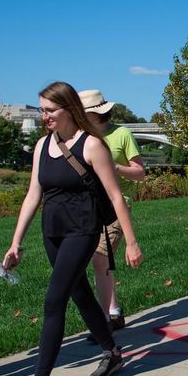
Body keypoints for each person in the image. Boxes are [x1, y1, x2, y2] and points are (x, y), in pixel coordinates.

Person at [0, 82, 143, 376]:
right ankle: (112, 352)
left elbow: (114, 195)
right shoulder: (41, 146)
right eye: (41, 111)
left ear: (68, 110)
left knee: (55, 300)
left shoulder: (92, 146)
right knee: (80, 293)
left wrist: (131, 242)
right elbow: (34, 193)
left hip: (83, 230)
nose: (44, 117)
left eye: (50, 111)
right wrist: (16, 241)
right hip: (52, 232)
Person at [80, 89, 146, 330]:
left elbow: (140, 173)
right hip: (88, 208)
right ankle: (114, 311)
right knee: (98, 262)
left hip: (117, 205)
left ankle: (104, 319)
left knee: (100, 258)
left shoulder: (121, 134)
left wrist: (113, 168)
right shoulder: (81, 138)